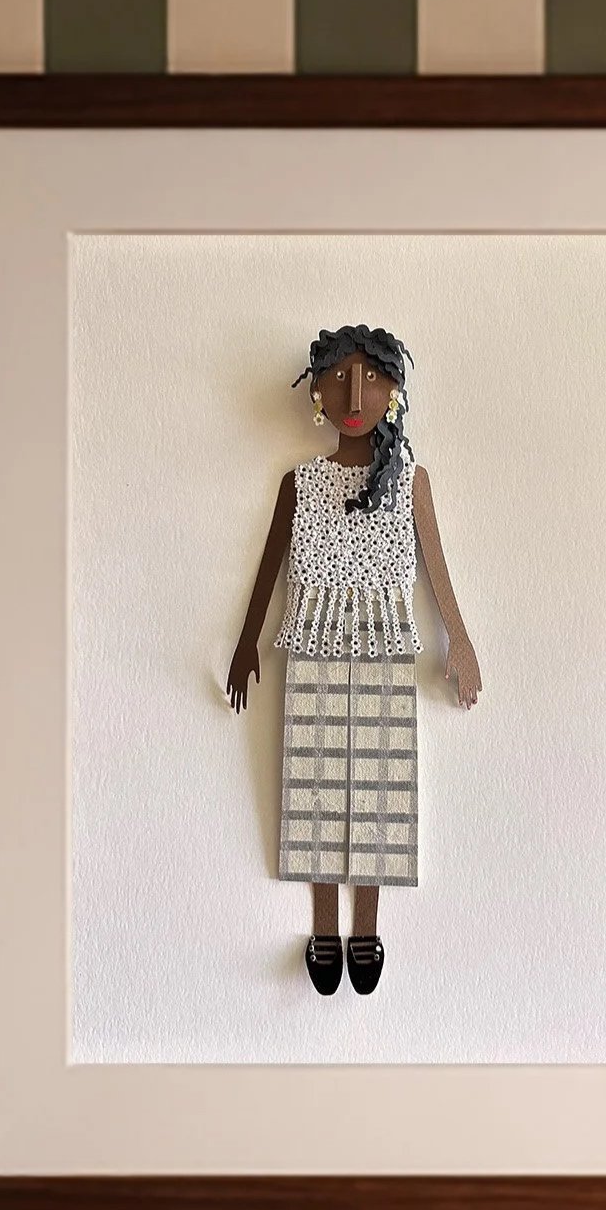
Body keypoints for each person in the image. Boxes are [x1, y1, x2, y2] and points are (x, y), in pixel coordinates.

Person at [228, 325, 482, 996]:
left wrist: (459, 638)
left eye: (369, 377)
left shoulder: (408, 483)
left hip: (385, 645)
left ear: (393, 391)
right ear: (314, 392)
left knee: (377, 784)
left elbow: (435, 567)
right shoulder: (300, 483)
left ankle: (364, 926)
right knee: (310, 779)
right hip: (309, 640)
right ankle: (321, 925)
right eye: (338, 377)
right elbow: (271, 566)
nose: (353, 392)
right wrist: (246, 640)